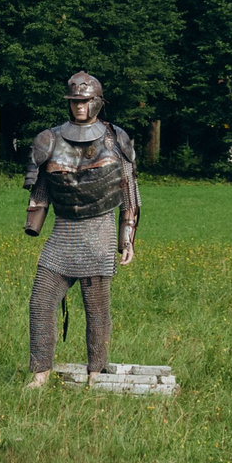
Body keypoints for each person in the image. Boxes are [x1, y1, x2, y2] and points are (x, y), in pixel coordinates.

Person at [22, 70, 141, 388]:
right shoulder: (50, 139)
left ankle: (95, 372)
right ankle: (40, 373)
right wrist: (34, 221)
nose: (80, 106)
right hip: (63, 234)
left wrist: (126, 237)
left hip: (98, 234)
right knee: (41, 301)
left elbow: (128, 188)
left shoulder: (115, 138)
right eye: (75, 101)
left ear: (97, 102)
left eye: (86, 100)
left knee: (97, 309)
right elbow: (42, 187)